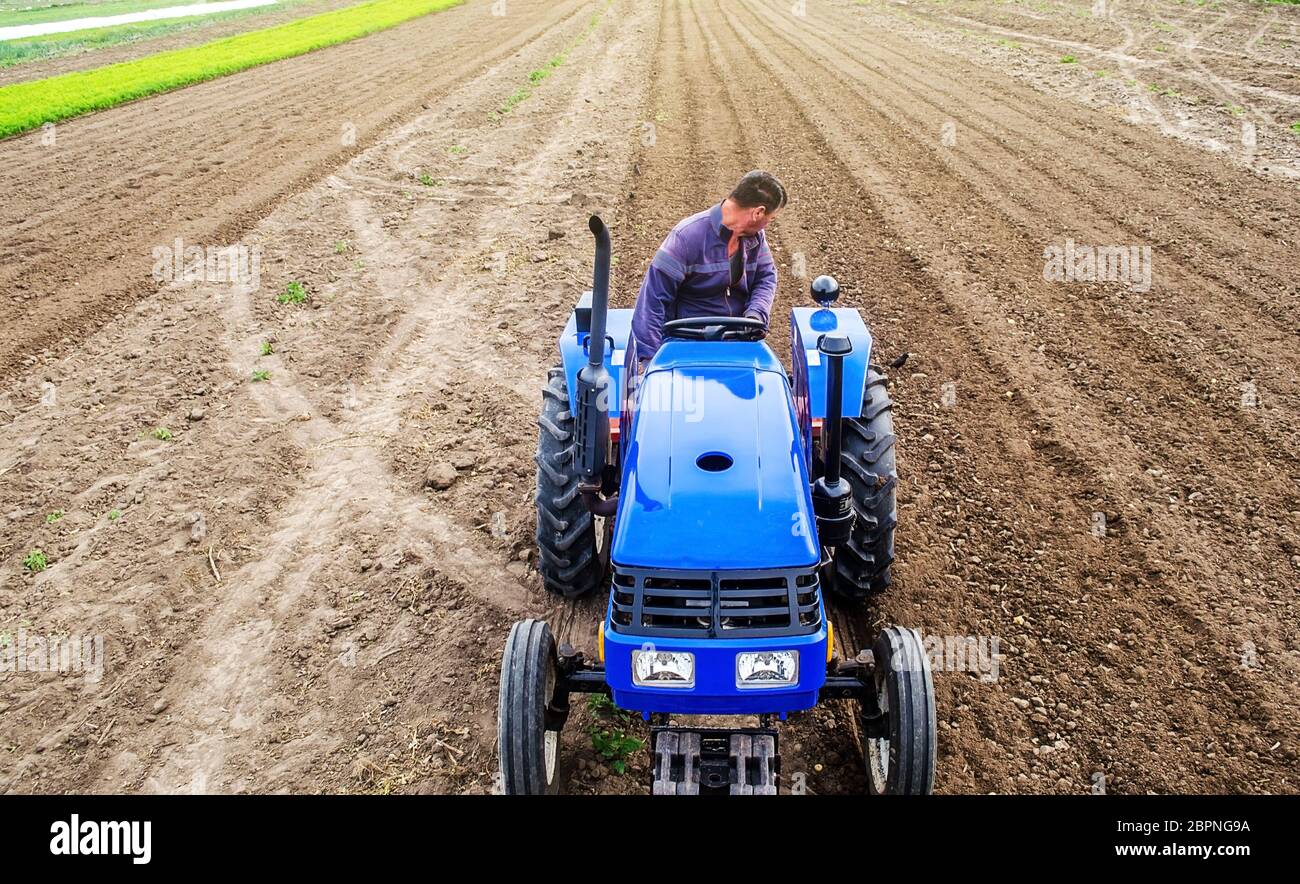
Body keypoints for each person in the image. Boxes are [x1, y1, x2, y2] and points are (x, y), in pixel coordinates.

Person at [629, 170, 787, 365]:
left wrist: (755, 314)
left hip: (739, 338)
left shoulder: (755, 238)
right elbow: (652, 302)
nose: (767, 226)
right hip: (686, 342)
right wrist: (651, 362)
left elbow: (766, 277)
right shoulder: (685, 238)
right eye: (770, 219)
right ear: (758, 212)